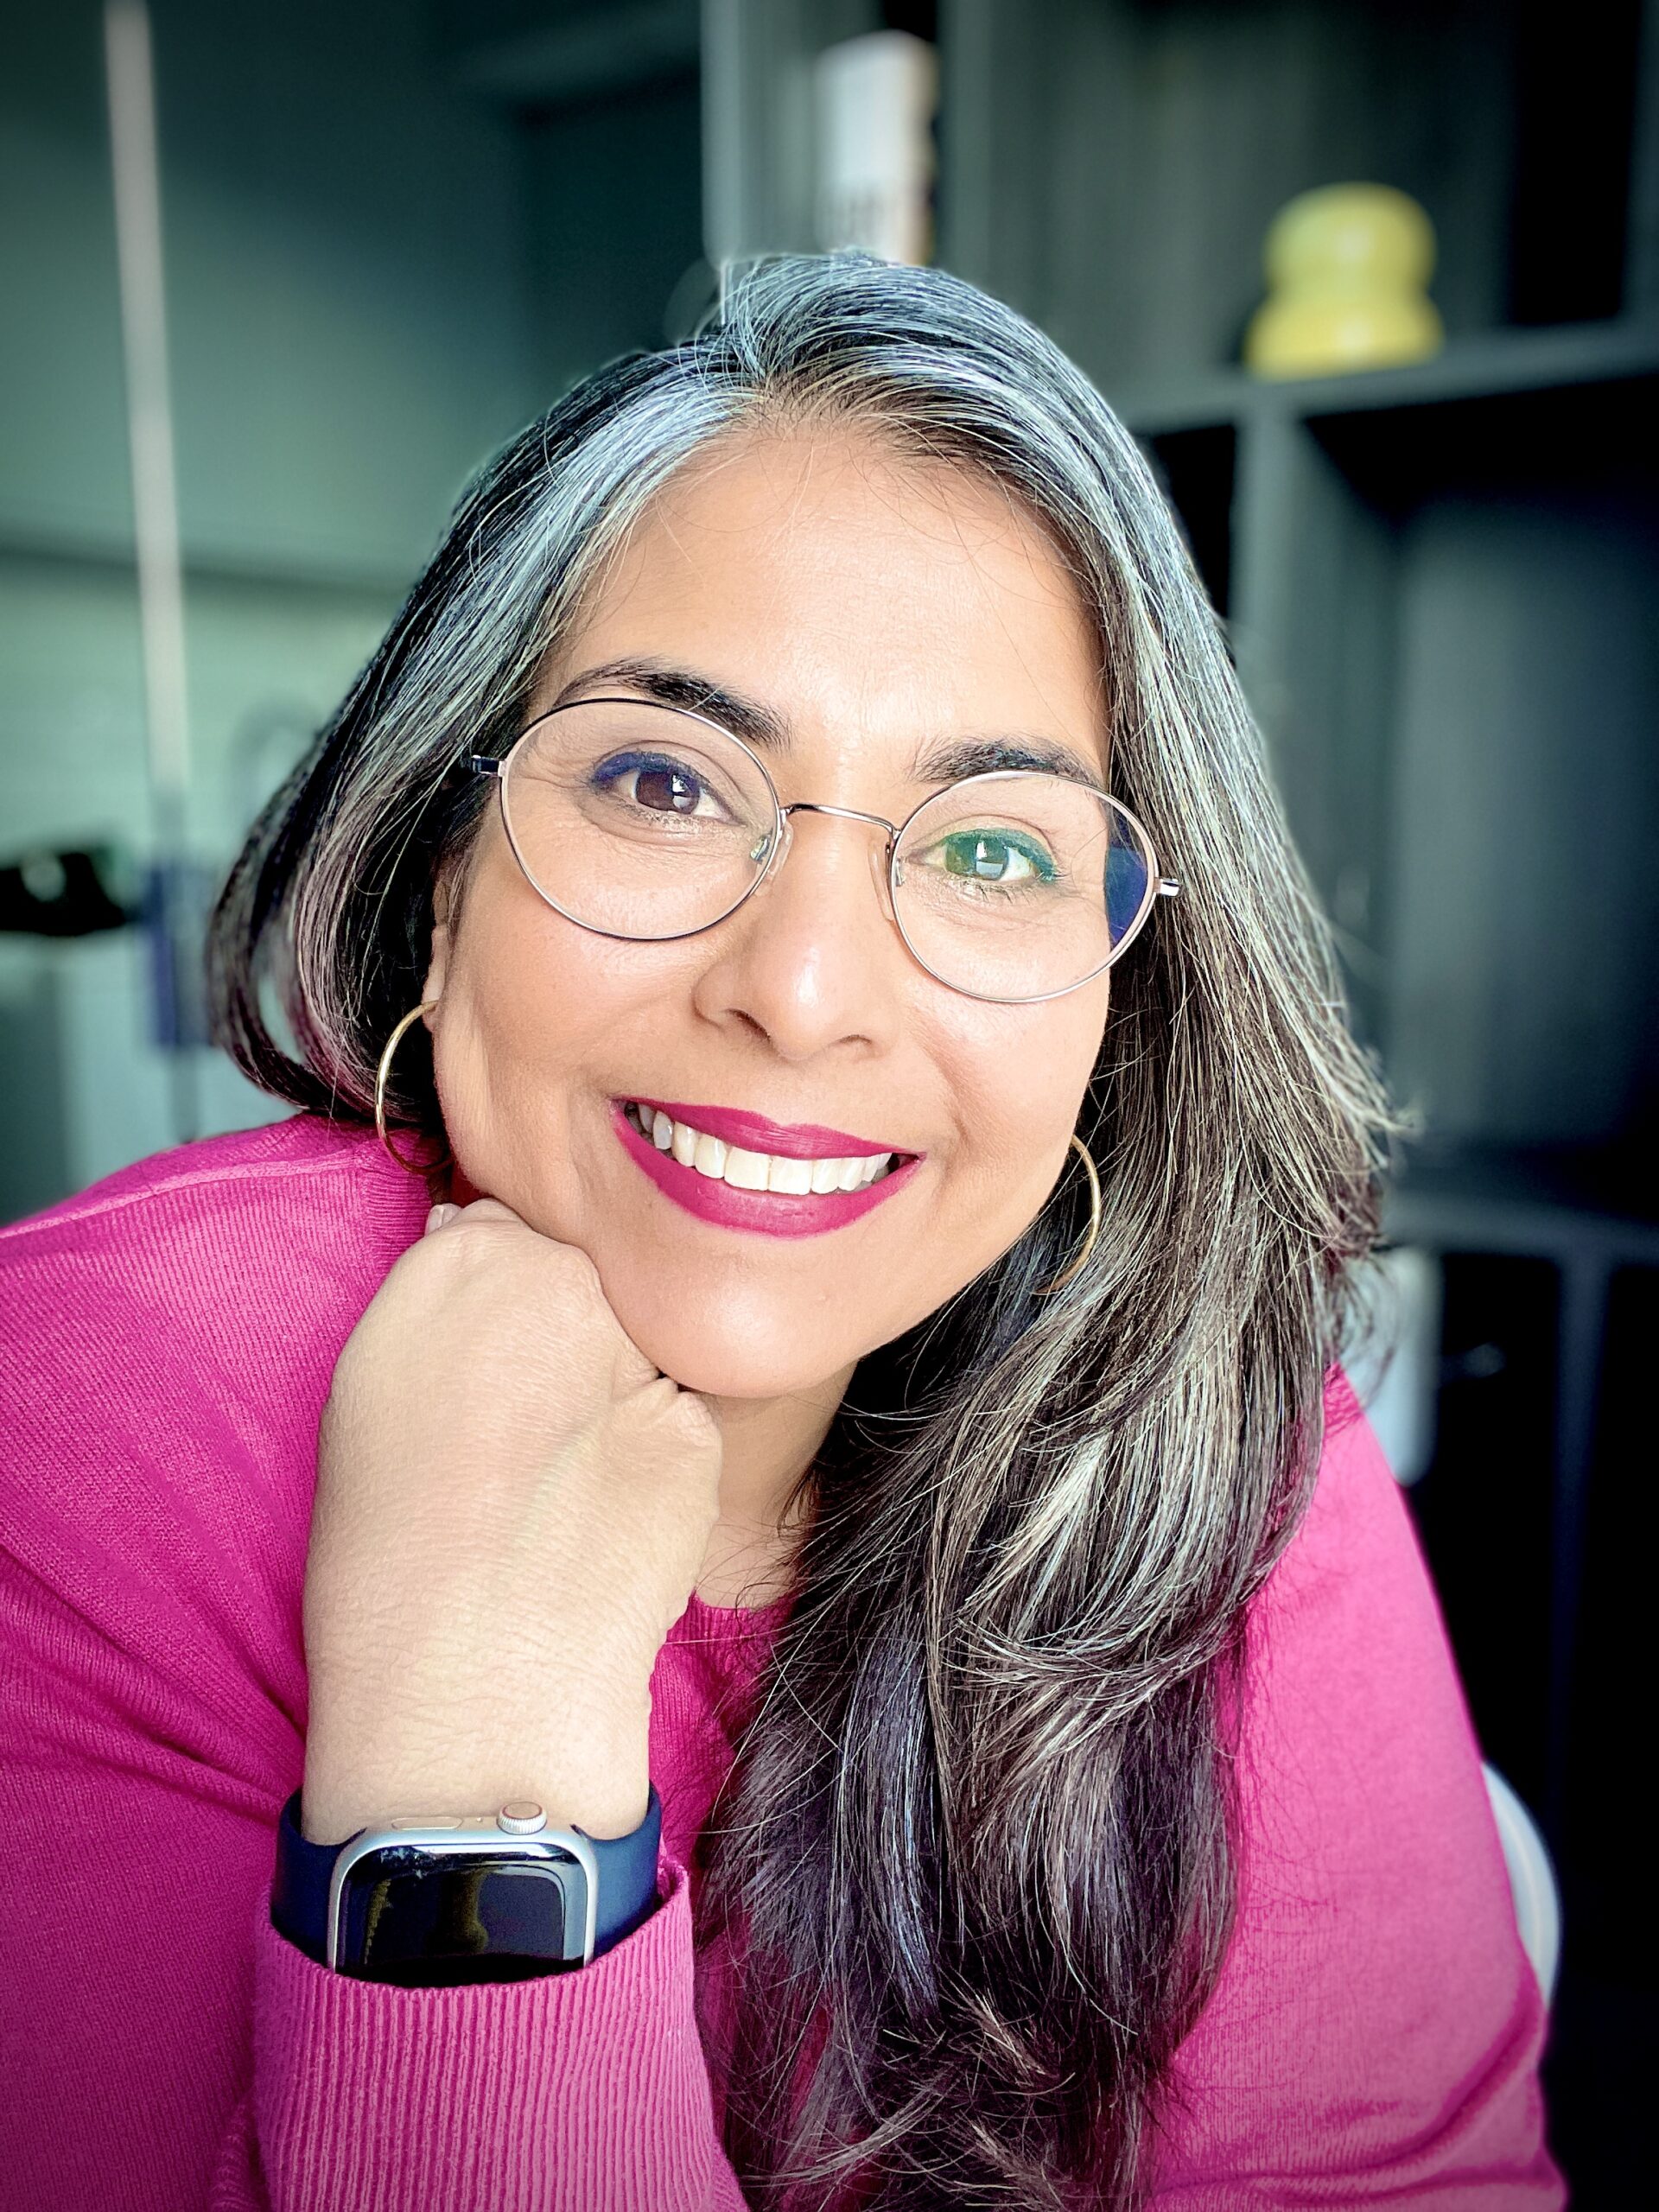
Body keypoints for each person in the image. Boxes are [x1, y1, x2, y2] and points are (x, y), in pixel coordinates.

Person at [0, 255, 1558, 2210]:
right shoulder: (81, 1414)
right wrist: (474, 1792)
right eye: (665, 779)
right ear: (441, 848)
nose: (805, 990)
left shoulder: (1211, 1411)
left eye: (992, 843)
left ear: (1119, 993)